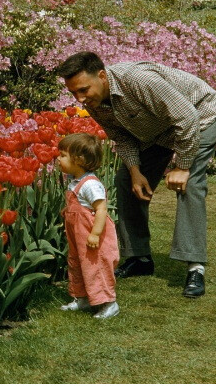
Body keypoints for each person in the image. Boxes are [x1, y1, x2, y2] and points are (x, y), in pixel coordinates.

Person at [56, 52, 216, 298]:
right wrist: (135, 172)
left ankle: (195, 267)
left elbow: (186, 118)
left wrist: (183, 166)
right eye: (74, 93)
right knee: (125, 182)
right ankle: (140, 258)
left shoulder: (138, 80)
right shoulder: (95, 102)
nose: (80, 99)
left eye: (83, 90)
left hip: (200, 117)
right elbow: (122, 137)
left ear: (102, 76)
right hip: (158, 130)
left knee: (189, 184)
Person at [57, 132, 120, 318]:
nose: (58, 159)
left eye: (62, 155)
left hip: (91, 234)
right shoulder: (75, 181)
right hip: (78, 234)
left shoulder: (90, 184)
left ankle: (109, 303)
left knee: (96, 265)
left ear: (78, 160)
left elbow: (101, 210)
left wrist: (95, 234)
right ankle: (82, 298)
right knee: (77, 263)